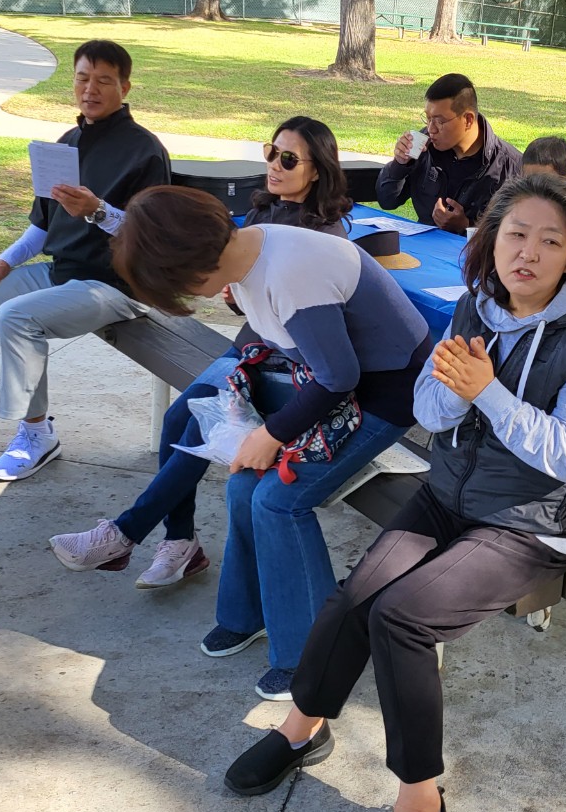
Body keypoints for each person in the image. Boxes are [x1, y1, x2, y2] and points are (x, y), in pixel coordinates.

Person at [222, 173, 566, 812]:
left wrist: (488, 392)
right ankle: (302, 728)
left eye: (550, 241)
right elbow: (430, 411)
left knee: (402, 618)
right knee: (353, 598)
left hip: (529, 524)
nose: (528, 253)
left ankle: (421, 807)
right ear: (491, 241)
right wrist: (456, 392)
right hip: (447, 496)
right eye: (516, 235)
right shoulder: (476, 307)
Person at [55, 186, 430, 700]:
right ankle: (247, 614)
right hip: (327, 383)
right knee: (242, 485)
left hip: (385, 392)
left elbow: (339, 376)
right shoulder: (247, 251)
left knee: (278, 501)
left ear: (194, 263)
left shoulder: (291, 272)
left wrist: (270, 434)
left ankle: (315, 652)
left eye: (182, 287)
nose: (196, 299)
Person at [49, 116, 353, 592]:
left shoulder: (324, 233)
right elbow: (243, 287)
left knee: (197, 421)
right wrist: (237, 295)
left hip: (285, 361)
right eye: (270, 152)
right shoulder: (264, 211)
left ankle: (126, 532)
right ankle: (180, 542)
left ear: (317, 170)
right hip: (251, 346)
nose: (274, 165)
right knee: (178, 419)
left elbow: (312, 328)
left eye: (289, 159)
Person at [0, 40, 170, 482]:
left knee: (16, 317)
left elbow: (153, 238)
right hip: (61, 272)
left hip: (116, 285)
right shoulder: (65, 144)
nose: (91, 89)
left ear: (125, 87)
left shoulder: (145, 151)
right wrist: (5, 262)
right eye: (82, 78)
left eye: (104, 80)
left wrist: (98, 210)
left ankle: (36, 434)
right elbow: (43, 225)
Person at [375, 72, 521, 233]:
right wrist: (400, 164)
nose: (431, 129)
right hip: (423, 244)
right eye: (428, 119)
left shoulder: (510, 167)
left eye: (440, 121)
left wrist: (466, 226)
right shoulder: (424, 145)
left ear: (468, 120)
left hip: (473, 249)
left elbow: (515, 234)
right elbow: (387, 201)